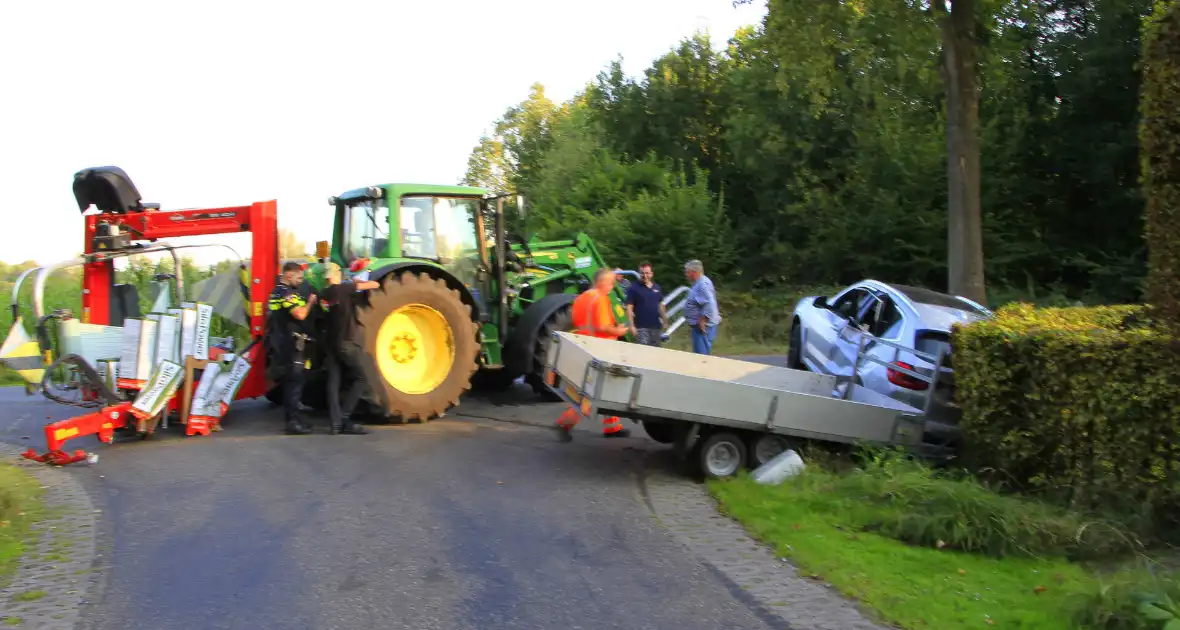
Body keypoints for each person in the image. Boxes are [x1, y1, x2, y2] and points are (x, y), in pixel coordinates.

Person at [555, 268, 631, 441]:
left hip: (585, 347)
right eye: (611, 283)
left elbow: (578, 321)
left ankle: (612, 427)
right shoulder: (600, 299)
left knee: (604, 389)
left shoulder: (581, 298)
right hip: (600, 350)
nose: (612, 287)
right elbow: (603, 327)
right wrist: (618, 330)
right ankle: (564, 423)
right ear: (602, 282)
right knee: (591, 393)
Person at [318, 263, 382, 435]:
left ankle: (335, 424)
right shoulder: (344, 289)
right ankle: (345, 418)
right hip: (346, 342)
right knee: (362, 378)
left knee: (333, 383)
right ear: (337, 274)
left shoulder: (323, 295)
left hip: (330, 344)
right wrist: (356, 279)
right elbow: (374, 285)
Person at [268, 262, 318, 435]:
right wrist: (310, 302)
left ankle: (296, 419)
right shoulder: (285, 293)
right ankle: (292, 423)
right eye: (299, 277)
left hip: (286, 341)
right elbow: (301, 314)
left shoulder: (279, 292)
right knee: (293, 383)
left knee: (296, 381)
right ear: (289, 276)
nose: (301, 281)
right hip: (290, 343)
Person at [625, 262, 669, 347]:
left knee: (656, 353)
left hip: (656, 327)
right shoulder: (633, 288)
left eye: (647, 273)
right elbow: (629, 308)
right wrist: (631, 326)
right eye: (642, 273)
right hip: (641, 328)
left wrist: (665, 320)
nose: (645, 276)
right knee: (643, 354)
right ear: (639, 273)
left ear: (651, 274)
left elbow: (660, 305)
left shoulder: (657, 288)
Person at [683, 259, 721, 355]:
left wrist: (703, 320)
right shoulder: (699, 282)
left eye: (687, 272)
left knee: (701, 357)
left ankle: (702, 370)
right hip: (700, 326)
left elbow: (710, 303)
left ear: (694, 272)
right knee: (700, 355)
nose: (686, 274)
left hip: (703, 327)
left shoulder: (702, 284)